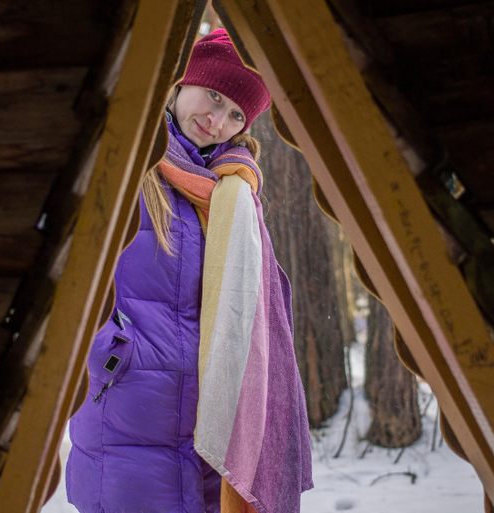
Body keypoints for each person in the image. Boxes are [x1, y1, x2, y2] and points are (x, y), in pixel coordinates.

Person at [66, 29, 312, 513]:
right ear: (181, 82)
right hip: (129, 410)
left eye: (237, 114)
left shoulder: (232, 191)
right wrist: (109, 352)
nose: (217, 121)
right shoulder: (123, 162)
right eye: (214, 95)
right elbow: (71, 276)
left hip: (216, 425)